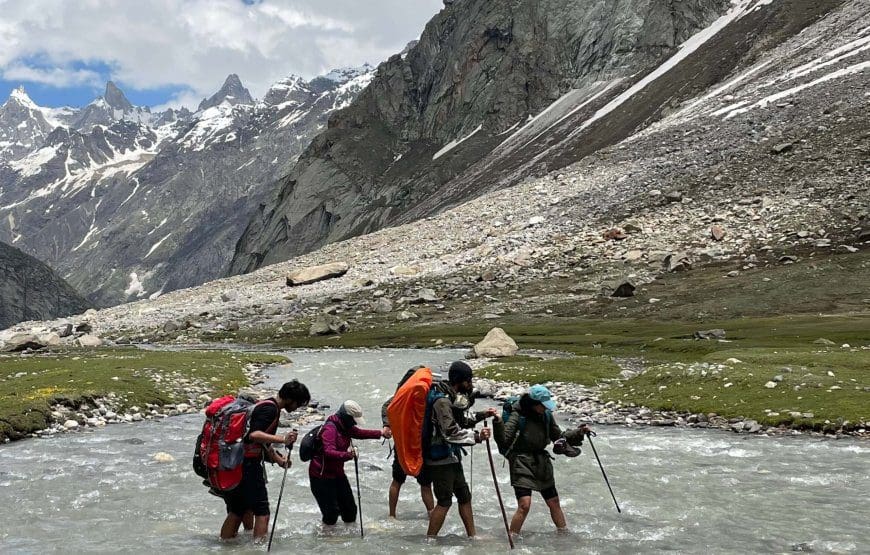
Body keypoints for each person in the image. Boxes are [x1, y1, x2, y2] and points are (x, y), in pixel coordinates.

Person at [220, 379, 311, 542]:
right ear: (290, 399)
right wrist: (283, 439)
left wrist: (278, 459)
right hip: (248, 465)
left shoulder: (267, 405)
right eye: (298, 403)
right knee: (262, 510)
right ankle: (259, 547)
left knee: (238, 509)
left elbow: (262, 442)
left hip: (237, 462)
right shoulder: (270, 409)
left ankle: (224, 545)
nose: (297, 408)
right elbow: (254, 435)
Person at [493, 384, 590, 537]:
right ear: (533, 404)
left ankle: (564, 536)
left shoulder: (546, 416)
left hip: (542, 464)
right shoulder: (517, 415)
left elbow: (559, 437)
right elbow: (503, 439)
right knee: (524, 505)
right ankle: (512, 538)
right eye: (543, 406)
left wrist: (579, 432)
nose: (546, 408)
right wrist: (497, 422)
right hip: (521, 462)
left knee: (554, 502)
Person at [424, 360, 497, 539]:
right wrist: (478, 437)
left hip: (451, 457)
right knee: (444, 501)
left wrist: (482, 415)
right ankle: (429, 541)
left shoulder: (451, 398)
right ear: (459, 380)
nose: (470, 385)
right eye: (468, 380)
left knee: (464, 496)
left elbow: (462, 420)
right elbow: (451, 432)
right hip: (439, 459)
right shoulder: (442, 402)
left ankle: (472, 536)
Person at [309, 400, 392, 526]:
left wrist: (381, 433)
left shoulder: (344, 426)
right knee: (331, 514)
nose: (354, 423)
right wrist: (349, 455)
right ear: (346, 417)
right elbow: (328, 452)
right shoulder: (330, 429)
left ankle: (349, 539)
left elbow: (358, 433)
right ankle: (326, 539)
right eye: (353, 420)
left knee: (350, 511)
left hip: (337, 474)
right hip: (321, 476)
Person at [382, 367, 436, 518]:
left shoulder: (402, 393)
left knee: (398, 480)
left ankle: (392, 515)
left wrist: (387, 424)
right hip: (419, 443)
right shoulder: (427, 391)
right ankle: (432, 514)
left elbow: (388, 407)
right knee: (425, 484)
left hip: (403, 443)